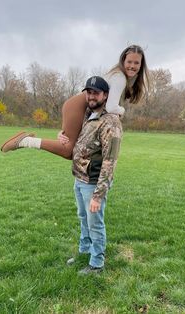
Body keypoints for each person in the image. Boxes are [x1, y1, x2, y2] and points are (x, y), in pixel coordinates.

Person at [0, 45, 149, 157]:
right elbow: (111, 107)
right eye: (129, 61)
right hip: (78, 106)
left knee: (74, 149)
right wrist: (122, 111)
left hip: (79, 107)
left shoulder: (120, 76)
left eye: (136, 63)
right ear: (123, 61)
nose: (132, 66)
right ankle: (25, 141)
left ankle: (25, 140)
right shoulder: (119, 78)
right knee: (68, 151)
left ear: (141, 65)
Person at [67, 76, 122, 274]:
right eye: (89, 92)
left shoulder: (111, 122)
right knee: (83, 217)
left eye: (96, 92)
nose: (91, 96)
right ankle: (84, 251)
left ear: (105, 95)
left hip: (93, 183)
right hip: (79, 178)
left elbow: (110, 160)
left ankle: (97, 263)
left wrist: (98, 195)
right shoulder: (88, 115)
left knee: (95, 223)